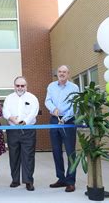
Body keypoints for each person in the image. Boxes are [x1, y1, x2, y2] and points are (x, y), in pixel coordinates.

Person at [45, 65, 80, 193]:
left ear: (68, 74)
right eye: (60, 71)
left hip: (68, 120)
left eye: (64, 72)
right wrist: (53, 109)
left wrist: (65, 118)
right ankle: (61, 179)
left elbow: (75, 105)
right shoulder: (51, 86)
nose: (62, 73)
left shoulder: (74, 87)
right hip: (54, 119)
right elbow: (47, 101)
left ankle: (71, 181)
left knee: (71, 152)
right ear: (57, 73)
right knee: (56, 151)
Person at [3, 76, 39, 191]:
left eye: (22, 86)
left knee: (28, 156)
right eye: (17, 85)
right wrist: (11, 118)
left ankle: (28, 181)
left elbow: (34, 112)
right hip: (13, 130)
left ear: (26, 86)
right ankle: (15, 180)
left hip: (28, 130)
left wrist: (25, 121)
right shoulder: (9, 98)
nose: (20, 88)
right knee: (13, 156)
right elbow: (5, 111)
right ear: (14, 86)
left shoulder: (32, 98)